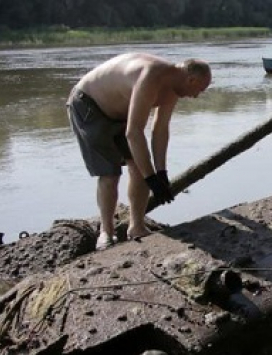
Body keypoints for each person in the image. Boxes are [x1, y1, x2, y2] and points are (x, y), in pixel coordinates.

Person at [66, 53, 212, 250]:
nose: (196, 96)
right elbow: (134, 133)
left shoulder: (174, 88)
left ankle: (137, 226)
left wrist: (161, 173)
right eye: (199, 90)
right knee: (109, 173)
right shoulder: (151, 76)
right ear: (191, 79)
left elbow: (160, 129)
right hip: (89, 106)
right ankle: (106, 233)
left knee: (138, 166)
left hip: (121, 112)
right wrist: (151, 178)